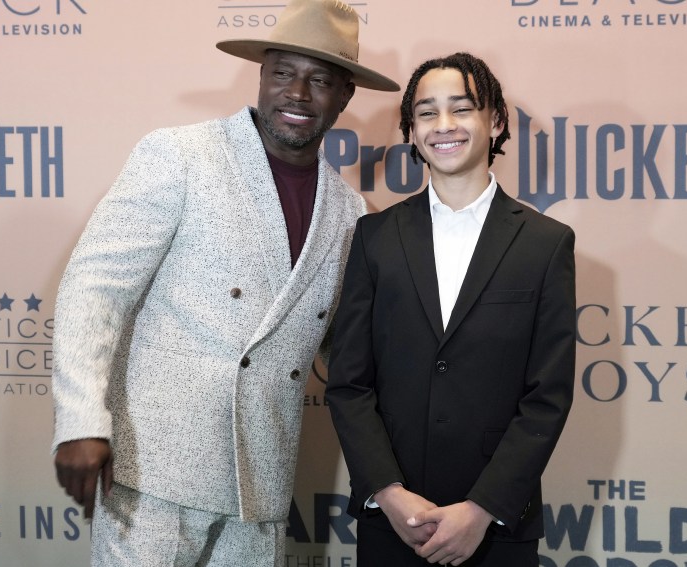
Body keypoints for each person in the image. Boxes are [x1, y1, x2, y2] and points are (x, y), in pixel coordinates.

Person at [50, 1, 399, 565]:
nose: (298, 94)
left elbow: (345, 350)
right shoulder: (181, 154)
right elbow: (96, 287)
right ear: (261, 76)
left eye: (320, 80)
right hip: (154, 473)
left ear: (345, 96)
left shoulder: (350, 211)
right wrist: (81, 419)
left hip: (260, 483)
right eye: (283, 72)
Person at [325, 52, 576, 566]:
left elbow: (547, 396)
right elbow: (349, 383)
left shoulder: (546, 243)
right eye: (426, 112)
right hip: (393, 523)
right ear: (411, 131)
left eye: (461, 109)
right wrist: (389, 495)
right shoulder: (375, 237)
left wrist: (482, 509)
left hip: (497, 528)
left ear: (495, 121)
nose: (444, 126)